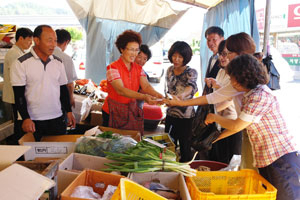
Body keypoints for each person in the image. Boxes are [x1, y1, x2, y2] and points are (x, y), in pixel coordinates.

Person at [205, 54, 300, 200]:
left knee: (286, 197)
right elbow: (241, 124)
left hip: (280, 158)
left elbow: (236, 125)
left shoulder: (259, 96)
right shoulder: (249, 94)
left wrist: (214, 117)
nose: (230, 81)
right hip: (267, 158)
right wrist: (213, 139)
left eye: (232, 77)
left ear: (242, 77)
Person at [10, 25, 76, 141]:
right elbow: (19, 95)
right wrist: (25, 118)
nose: (53, 45)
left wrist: (69, 111)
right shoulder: (21, 63)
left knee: (58, 155)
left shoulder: (58, 62)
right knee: (33, 157)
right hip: (33, 120)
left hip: (56, 118)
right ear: (36, 40)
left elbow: (63, 89)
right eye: (49, 40)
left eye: (55, 41)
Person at [101, 30, 163, 134]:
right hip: (112, 112)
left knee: (129, 142)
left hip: (130, 111)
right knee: (113, 144)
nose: (134, 53)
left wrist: (159, 95)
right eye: (131, 49)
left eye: (136, 50)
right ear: (122, 49)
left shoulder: (138, 69)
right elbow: (121, 90)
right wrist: (144, 97)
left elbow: (146, 86)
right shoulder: (112, 68)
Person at [204, 40, 242, 164]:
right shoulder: (221, 72)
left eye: (226, 54)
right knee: (219, 160)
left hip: (231, 124)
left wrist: (211, 114)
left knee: (230, 162)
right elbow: (218, 95)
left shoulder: (237, 75)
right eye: (221, 54)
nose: (222, 57)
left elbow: (229, 99)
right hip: (219, 123)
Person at [164, 41, 198, 162]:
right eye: (174, 56)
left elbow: (191, 87)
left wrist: (182, 95)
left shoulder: (191, 72)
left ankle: (184, 175)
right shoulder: (169, 70)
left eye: (180, 57)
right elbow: (168, 91)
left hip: (186, 117)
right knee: (168, 145)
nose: (176, 59)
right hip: (170, 114)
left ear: (186, 58)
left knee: (185, 147)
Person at [3, 27, 33, 144]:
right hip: (15, 95)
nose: (30, 43)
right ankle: (18, 146)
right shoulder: (14, 54)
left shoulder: (19, 52)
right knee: (19, 124)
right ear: (20, 38)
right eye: (29, 40)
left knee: (20, 122)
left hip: (18, 95)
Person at [54, 29, 78, 108]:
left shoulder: (44, 54)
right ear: (66, 42)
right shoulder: (65, 58)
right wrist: (71, 98)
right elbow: (70, 83)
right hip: (61, 97)